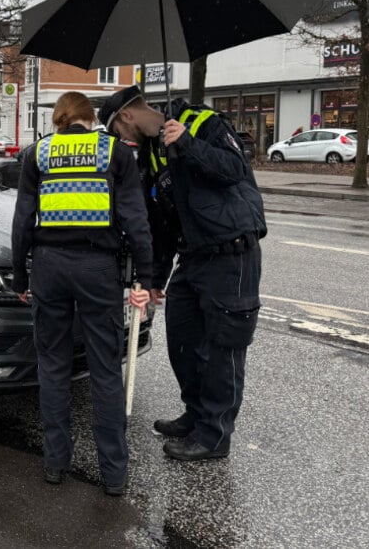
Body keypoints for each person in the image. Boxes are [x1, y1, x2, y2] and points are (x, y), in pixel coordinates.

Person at [99, 85, 266, 462]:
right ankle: (196, 415)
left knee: (223, 349)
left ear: (126, 116)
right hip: (193, 259)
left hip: (232, 252)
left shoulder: (201, 122)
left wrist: (189, 143)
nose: (120, 140)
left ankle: (214, 435)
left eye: (117, 132)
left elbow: (235, 169)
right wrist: (156, 277)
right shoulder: (150, 155)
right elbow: (160, 222)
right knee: (183, 341)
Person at [12, 91, 152, 496]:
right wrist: (146, 275)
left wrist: (21, 278)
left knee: (52, 367)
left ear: (58, 119)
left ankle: (55, 463)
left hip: (50, 267)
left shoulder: (38, 153)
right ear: (92, 119)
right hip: (97, 268)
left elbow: (23, 219)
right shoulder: (113, 153)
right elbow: (135, 219)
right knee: (105, 370)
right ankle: (113, 474)